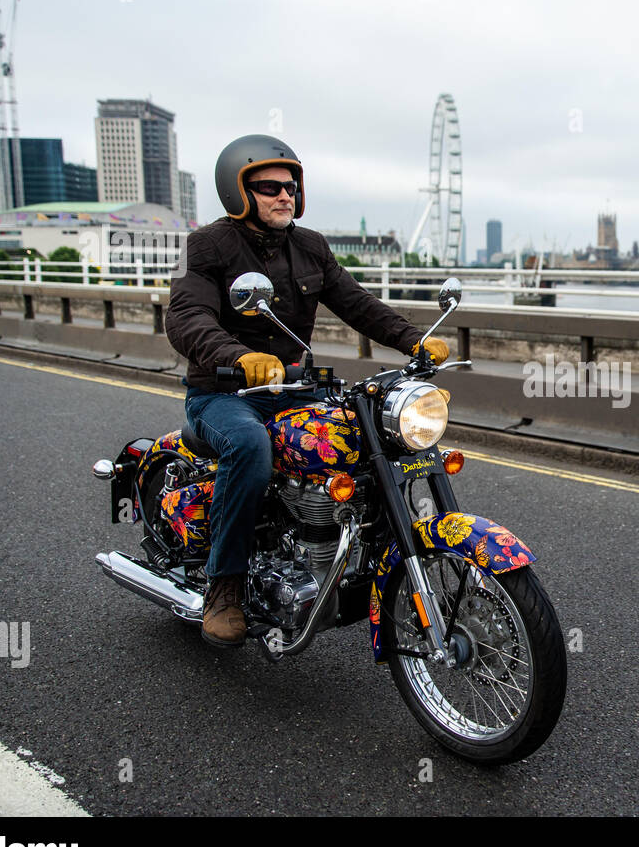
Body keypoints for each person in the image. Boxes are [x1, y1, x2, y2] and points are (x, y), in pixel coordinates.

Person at [165, 134, 448, 647]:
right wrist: (237, 357)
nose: (284, 195)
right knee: (250, 448)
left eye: (290, 186)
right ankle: (224, 586)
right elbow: (187, 316)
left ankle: (355, 553)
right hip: (222, 394)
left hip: (293, 389)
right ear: (238, 191)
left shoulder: (310, 246)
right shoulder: (208, 245)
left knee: (371, 437)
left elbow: (356, 303)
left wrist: (415, 340)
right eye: (268, 186)